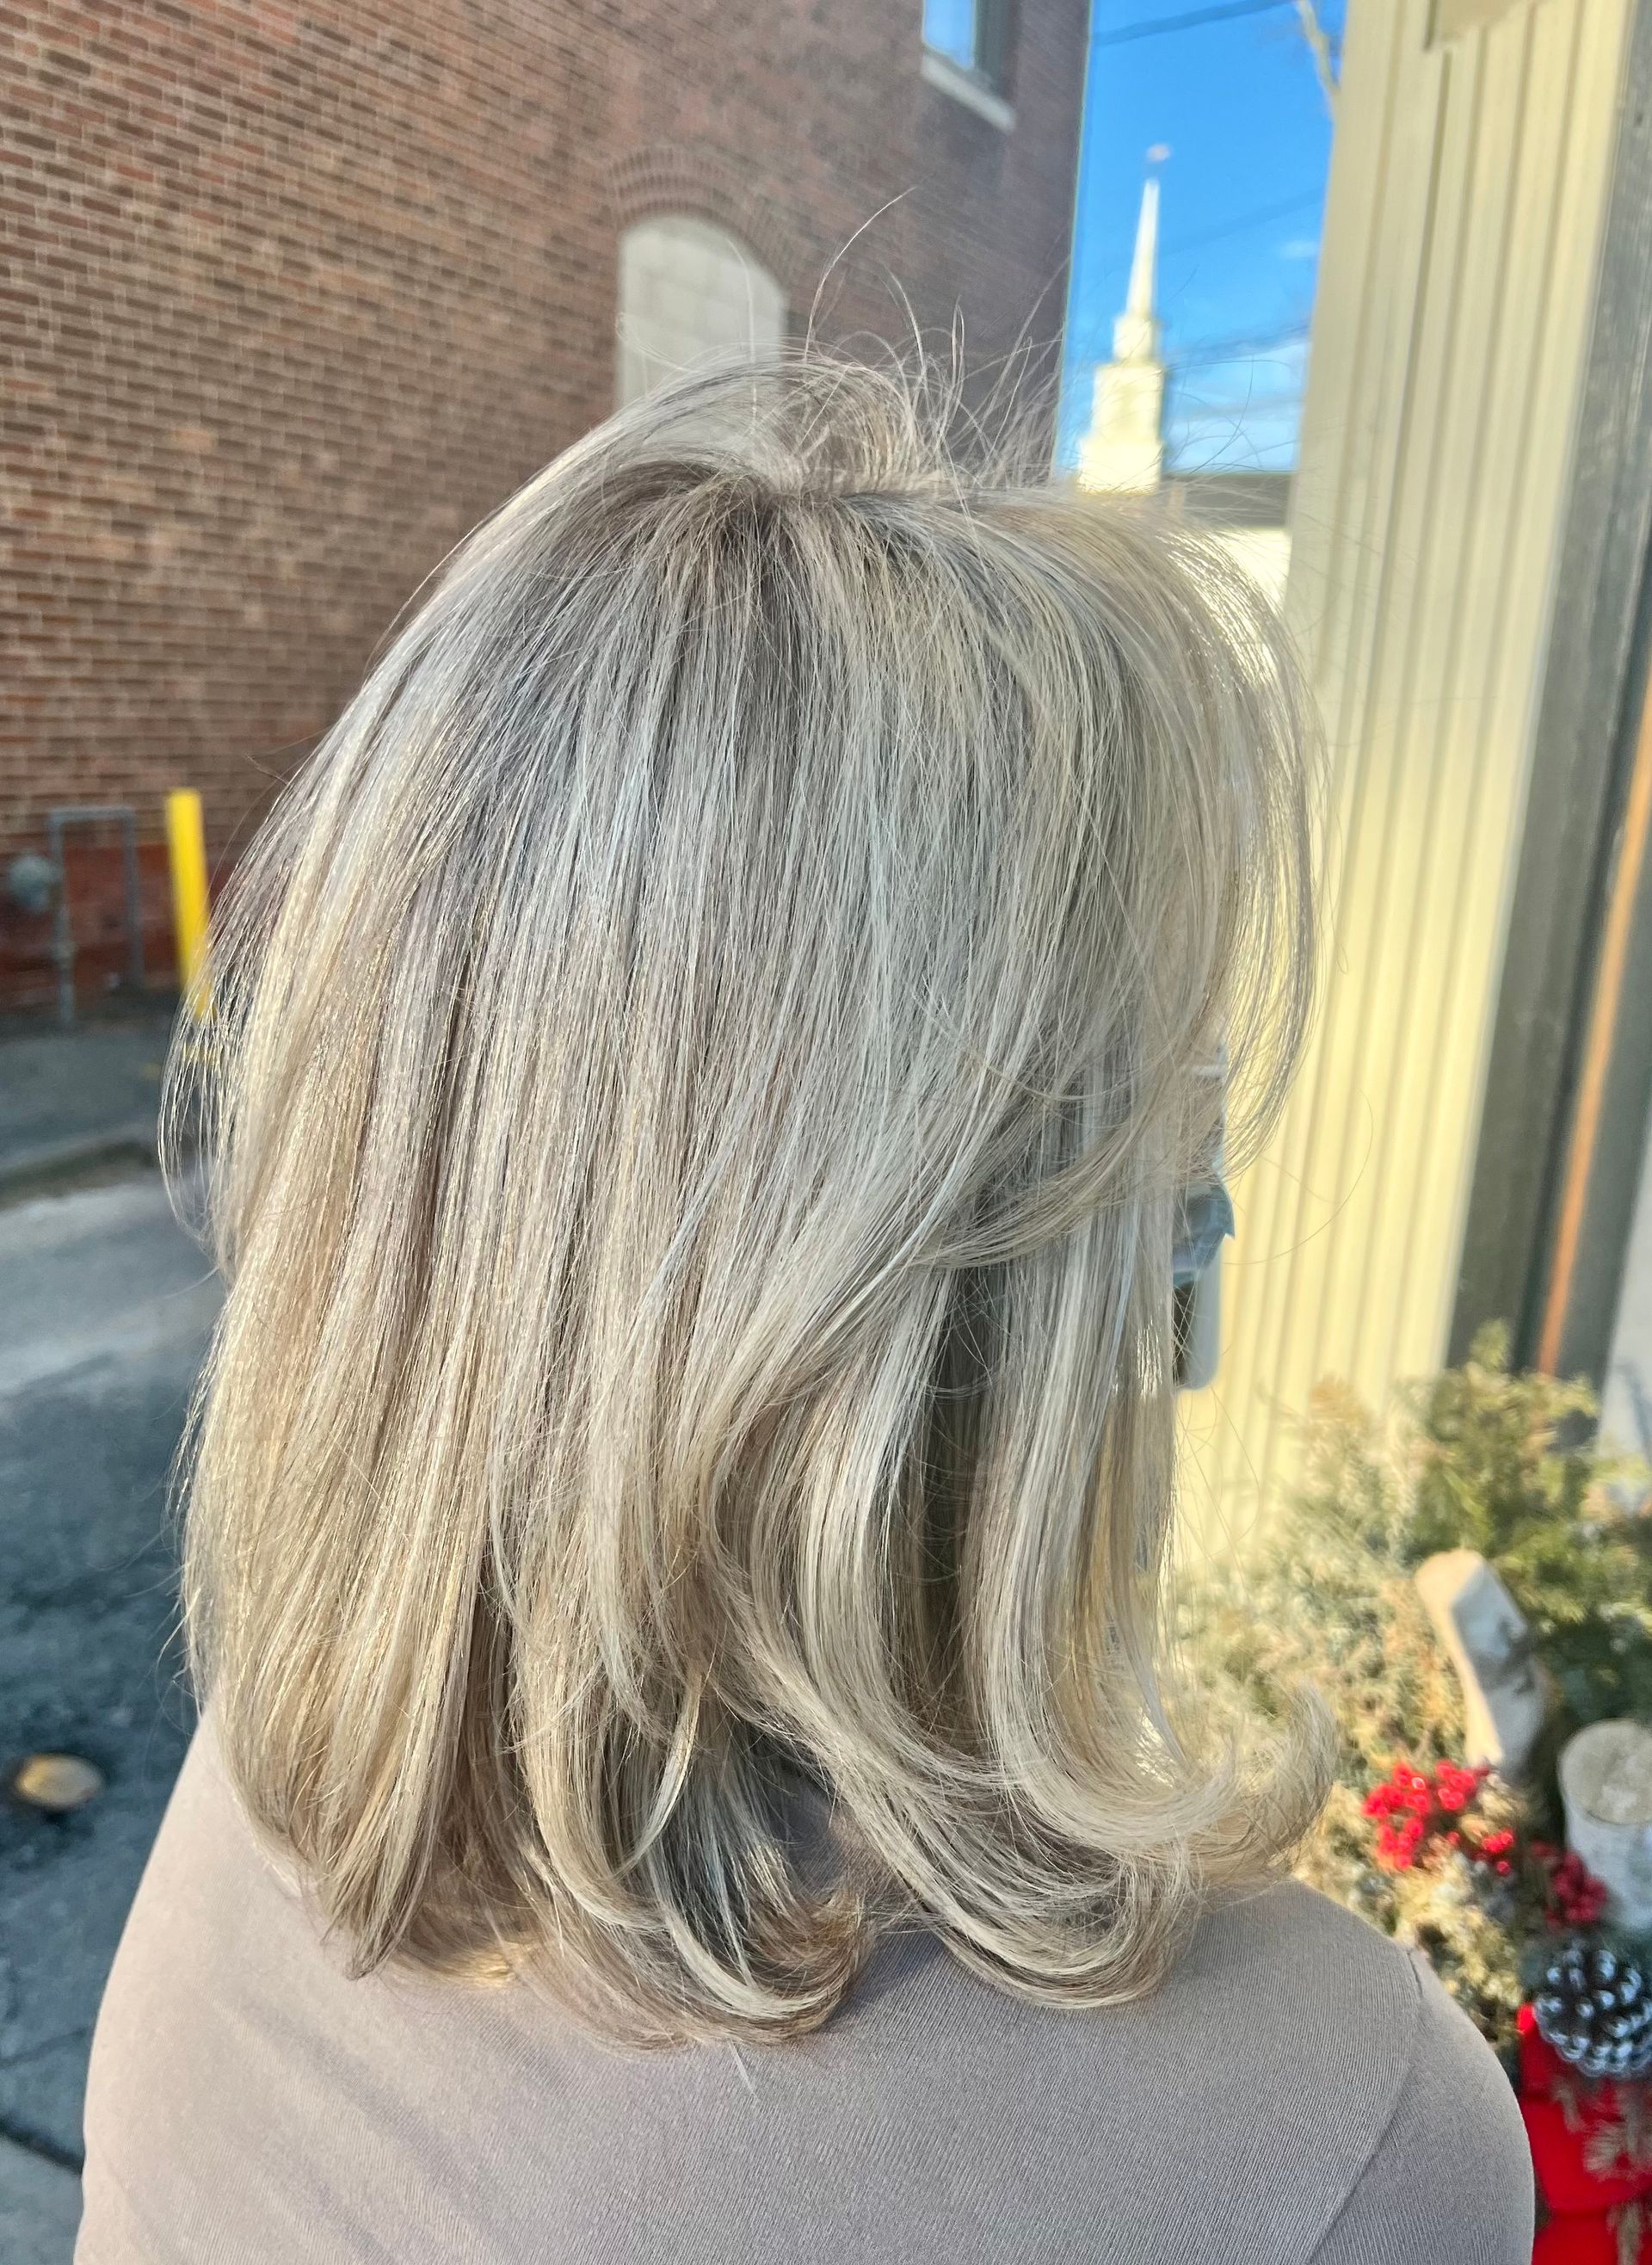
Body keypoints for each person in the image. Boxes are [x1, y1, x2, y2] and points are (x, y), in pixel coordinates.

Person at [76, 359, 1532, 2262]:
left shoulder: (267, 1809)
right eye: (1171, 1137)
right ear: (1033, 1267)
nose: (1209, 1222)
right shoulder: (1337, 2130)